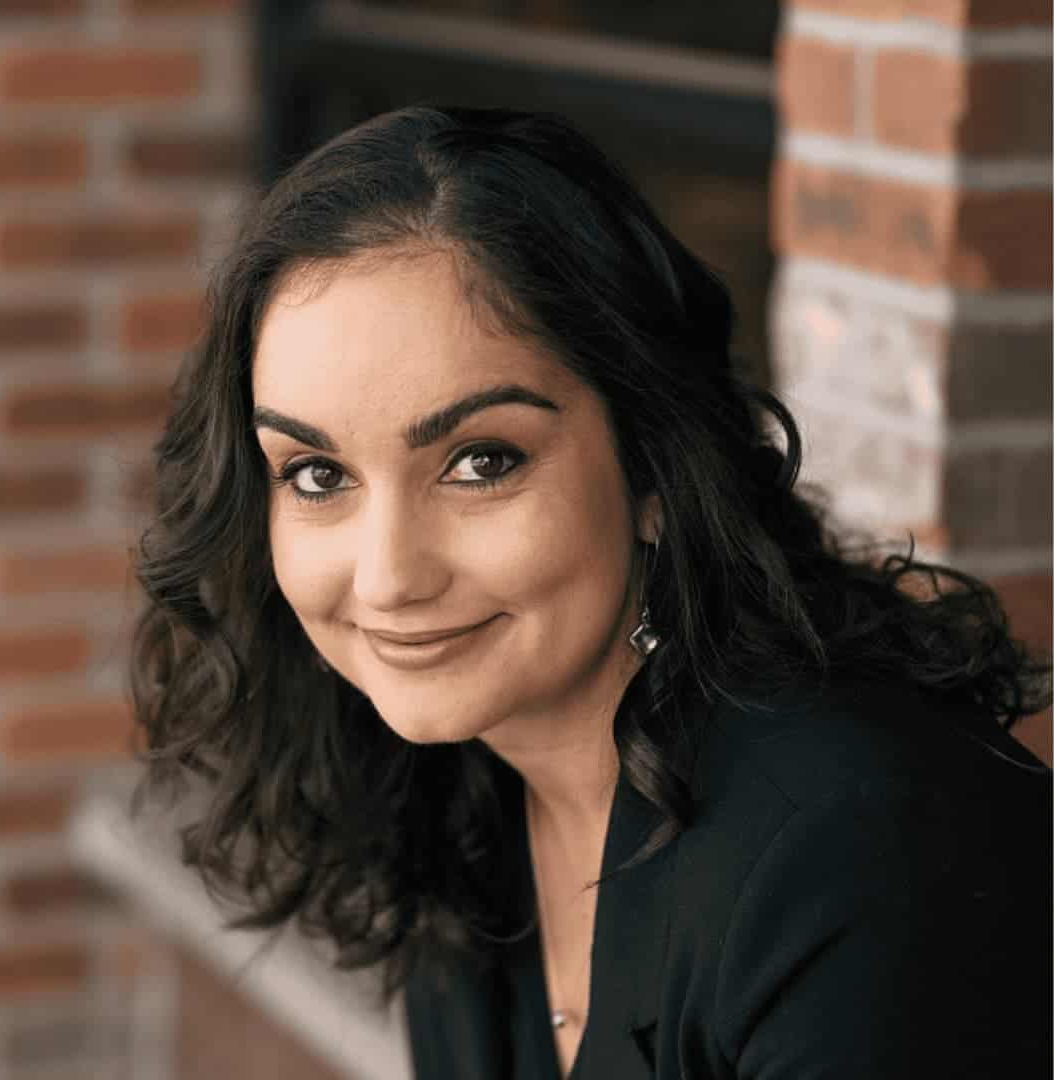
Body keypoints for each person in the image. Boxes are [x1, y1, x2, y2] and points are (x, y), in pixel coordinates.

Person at [130, 105, 1051, 1079]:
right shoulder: (457, 795)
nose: (388, 577)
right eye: (318, 475)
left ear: (652, 468)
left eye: (481, 461)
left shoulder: (858, 858)